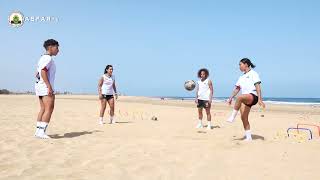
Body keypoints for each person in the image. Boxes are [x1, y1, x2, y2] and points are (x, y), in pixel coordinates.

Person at [226, 58, 266, 141]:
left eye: (240, 64)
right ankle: (248, 137)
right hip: (245, 99)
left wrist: (260, 99)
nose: (239, 67)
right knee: (244, 117)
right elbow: (237, 88)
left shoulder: (253, 74)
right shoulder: (241, 77)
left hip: (253, 96)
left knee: (240, 97)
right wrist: (230, 98)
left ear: (246, 64)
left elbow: (258, 86)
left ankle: (232, 116)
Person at [34, 39, 59, 139]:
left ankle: (38, 131)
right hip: (45, 87)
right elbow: (43, 72)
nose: (58, 50)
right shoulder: (48, 59)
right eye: (57, 48)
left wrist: (41, 83)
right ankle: (41, 132)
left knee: (43, 108)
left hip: (39, 86)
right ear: (50, 47)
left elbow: (36, 73)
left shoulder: (41, 58)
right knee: (49, 108)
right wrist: (49, 87)